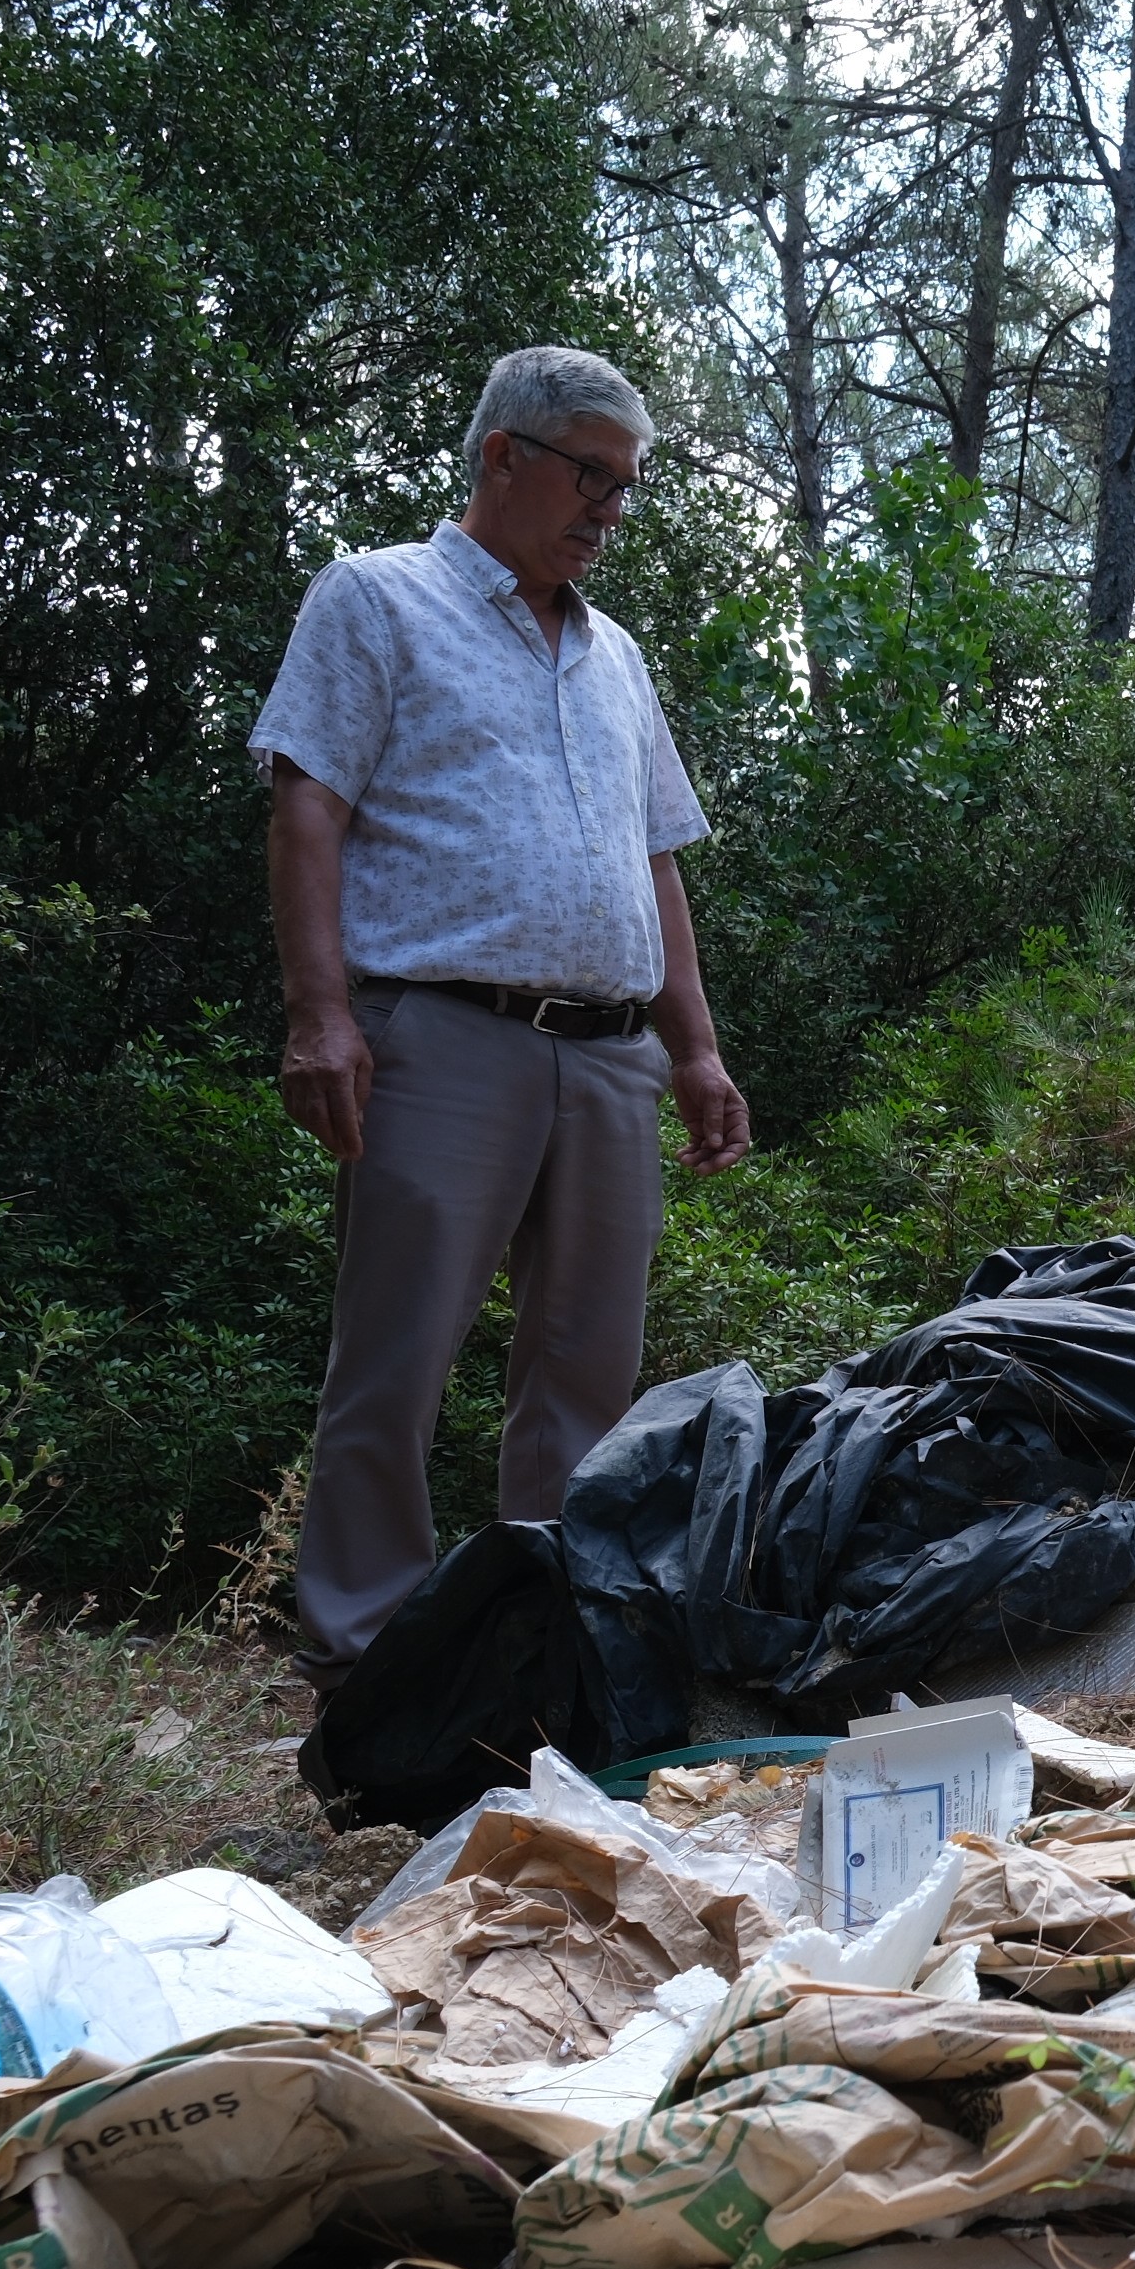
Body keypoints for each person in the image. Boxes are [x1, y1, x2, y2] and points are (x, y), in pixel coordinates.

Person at [248, 344, 749, 1691]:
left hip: (609, 1058)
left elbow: (656, 862)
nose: (609, 511)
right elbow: (310, 805)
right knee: (395, 1364)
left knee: (589, 1382)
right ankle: (369, 1658)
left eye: (627, 489)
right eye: (591, 476)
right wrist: (321, 1016)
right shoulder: (378, 600)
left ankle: (548, 1652)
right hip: (439, 1038)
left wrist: (694, 1047)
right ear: (501, 457)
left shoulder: (617, 657)